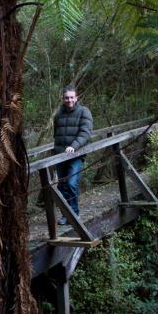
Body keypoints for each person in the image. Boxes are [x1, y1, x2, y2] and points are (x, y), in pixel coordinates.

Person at [54, 86, 93, 225]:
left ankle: (74, 214)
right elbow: (56, 135)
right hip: (60, 156)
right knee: (62, 186)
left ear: (76, 98)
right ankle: (66, 215)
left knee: (71, 184)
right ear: (63, 98)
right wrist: (56, 152)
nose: (69, 100)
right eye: (66, 97)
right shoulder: (58, 114)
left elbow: (85, 133)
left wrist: (74, 146)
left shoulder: (84, 112)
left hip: (75, 155)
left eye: (71, 97)